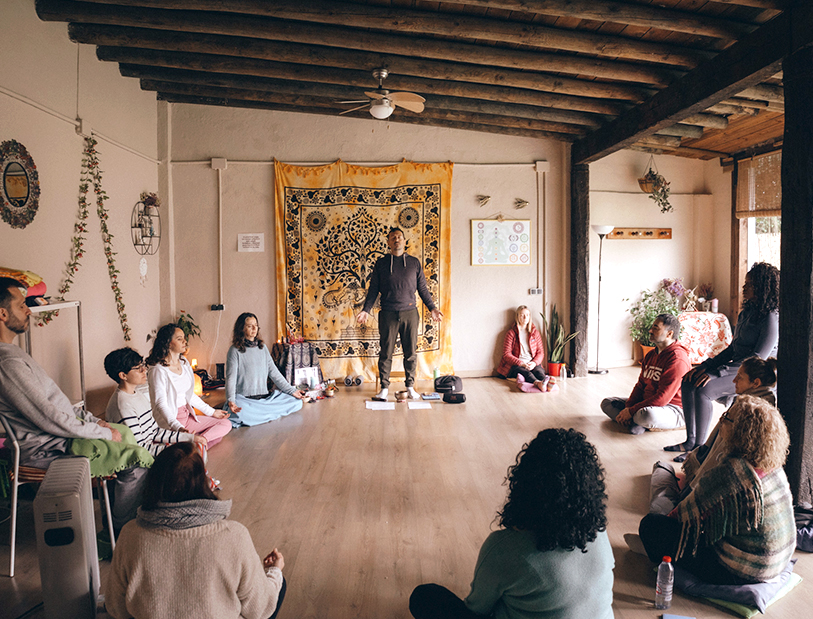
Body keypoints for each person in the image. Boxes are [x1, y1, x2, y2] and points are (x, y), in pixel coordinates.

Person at [409, 428, 615, 619]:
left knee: (425, 596)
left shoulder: (505, 547)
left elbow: (477, 608)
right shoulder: (598, 530)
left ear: (525, 482)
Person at [0, 277, 147, 530]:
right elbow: (50, 418)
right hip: (47, 448)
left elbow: (61, 407)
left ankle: (113, 523)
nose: (28, 310)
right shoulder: (8, 364)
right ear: (2, 314)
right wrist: (102, 433)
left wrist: (96, 421)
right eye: (21, 305)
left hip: (59, 437)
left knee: (123, 432)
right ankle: (124, 531)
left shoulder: (15, 354)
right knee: (136, 460)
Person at [105, 442, 286, 619]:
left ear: (153, 482)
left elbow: (115, 607)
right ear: (203, 481)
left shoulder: (130, 534)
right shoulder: (235, 536)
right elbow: (260, 609)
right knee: (279, 584)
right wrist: (275, 572)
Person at [639, 395, 795, 585]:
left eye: (726, 418)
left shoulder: (731, 472)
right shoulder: (773, 465)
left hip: (741, 571)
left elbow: (681, 517)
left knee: (651, 525)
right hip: (778, 562)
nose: (721, 420)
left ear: (741, 431)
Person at [666, 262, 779, 456]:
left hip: (755, 373)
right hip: (738, 367)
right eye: (745, 283)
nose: (744, 287)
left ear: (762, 287)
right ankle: (690, 441)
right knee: (689, 379)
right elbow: (733, 349)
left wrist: (717, 373)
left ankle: (700, 449)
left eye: (750, 284)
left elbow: (758, 357)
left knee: (703, 389)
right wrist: (706, 366)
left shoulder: (770, 317)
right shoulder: (746, 313)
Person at [646, 356, 778, 517]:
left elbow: (718, 456)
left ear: (755, 383)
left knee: (663, 501)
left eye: (740, 377)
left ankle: (665, 473)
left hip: (725, 485)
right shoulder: (761, 400)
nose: (734, 380)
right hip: (732, 481)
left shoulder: (747, 410)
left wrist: (692, 490)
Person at [357, 227, 443, 401]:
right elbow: (373, 289)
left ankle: (410, 387)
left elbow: (422, 288)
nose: (396, 239)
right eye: (393, 237)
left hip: (410, 313)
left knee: (410, 353)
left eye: (399, 237)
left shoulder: (414, 263)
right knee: (385, 353)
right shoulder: (381, 263)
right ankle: (384, 389)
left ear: (404, 241)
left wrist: (432, 308)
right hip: (387, 314)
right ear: (388, 242)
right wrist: (366, 310)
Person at [104, 347, 207, 456]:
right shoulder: (123, 405)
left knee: (197, 444)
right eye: (138, 368)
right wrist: (178, 449)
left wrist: (189, 438)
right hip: (140, 460)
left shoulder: (137, 394)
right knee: (192, 453)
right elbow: (139, 449)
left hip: (150, 450)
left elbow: (155, 431)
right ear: (123, 375)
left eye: (142, 365)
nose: (144, 370)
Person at [601, 313, 690, 434]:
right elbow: (640, 385)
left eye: (655, 328)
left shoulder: (677, 359)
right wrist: (628, 407)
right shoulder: (651, 355)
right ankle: (638, 423)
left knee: (646, 415)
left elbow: (662, 398)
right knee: (607, 403)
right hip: (646, 404)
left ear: (669, 334)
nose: (650, 331)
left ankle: (639, 422)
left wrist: (631, 412)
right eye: (652, 327)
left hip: (671, 408)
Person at [146, 323, 231, 447]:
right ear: (168, 343)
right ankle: (193, 443)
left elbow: (189, 395)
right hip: (172, 422)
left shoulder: (184, 363)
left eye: (184, 338)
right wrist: (178, 427)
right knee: (215, 437)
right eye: (179, 339)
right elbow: (160, 404)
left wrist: (212, 412)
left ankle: (197, 443)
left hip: (187, 417)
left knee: (225, 424)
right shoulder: (158, 370)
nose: (184, 342)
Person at [225, 313, 305, 426]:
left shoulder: (262, 348)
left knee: (297, 402)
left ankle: (260, 416)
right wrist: (231, 401)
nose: (254, 328)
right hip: (245, 400)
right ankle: (267, 414)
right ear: (241, 329)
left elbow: (274, 373)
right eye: (249, 326)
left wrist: (292, 391)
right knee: (239, 411)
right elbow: (231, 379)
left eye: (256, 325)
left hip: (265, 399)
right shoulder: (234, 350)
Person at [495, 305, 556, 393]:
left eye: (527, 315)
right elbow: (506, 354)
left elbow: (540, 352)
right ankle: (538, 383)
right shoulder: (511, 333)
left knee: (539, 372)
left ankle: (547, 383)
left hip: (531, 362)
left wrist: (534, 363)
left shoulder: (535, 333)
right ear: (517, 317)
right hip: (516, 365)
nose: (525, 317)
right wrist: (522, 364)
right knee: (527, 373)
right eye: (522, 315)